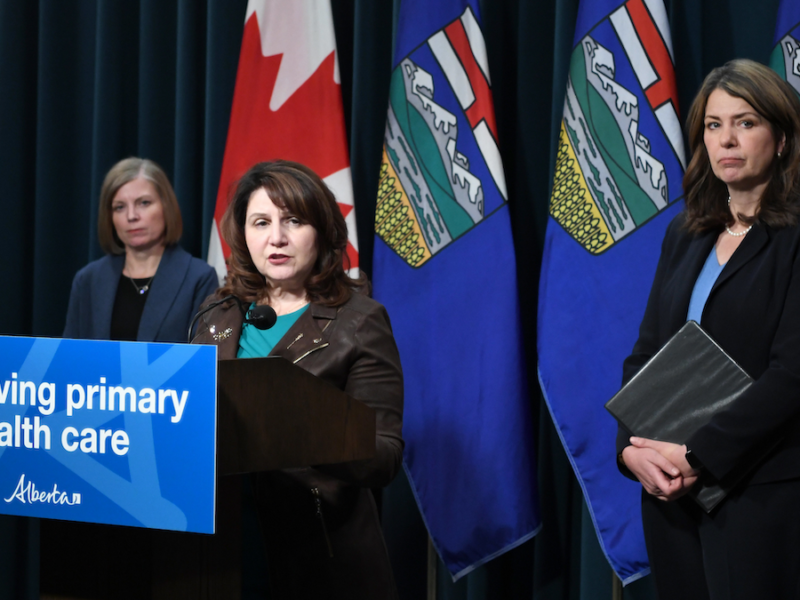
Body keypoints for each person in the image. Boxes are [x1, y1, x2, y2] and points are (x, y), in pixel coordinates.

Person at [616, 59, 800, 598]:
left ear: (783, 138)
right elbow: (647, 353)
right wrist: (631, 449)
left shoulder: (794, 241)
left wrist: (698, 454)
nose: (727, 140)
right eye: (714, 125)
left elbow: (791, 376)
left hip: (760, 495)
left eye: (745, 123)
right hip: (672, 496)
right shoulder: (687, 233)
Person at [192, 160, 404, 599]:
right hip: (219, 545)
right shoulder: (219, 309)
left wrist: (297, 425)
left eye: (293, 221)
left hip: (315, 550)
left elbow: (384, 455)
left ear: (322, 230)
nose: (277, 238)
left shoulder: (360, 322)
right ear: (243, 234)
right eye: (261, 222)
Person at [63, 157, 218, 342]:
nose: (131, 216)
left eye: (143, 203)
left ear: (166, 206)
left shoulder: (198, 278)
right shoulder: (88, 279)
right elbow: (70, 357)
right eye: (119, 207)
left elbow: (202, 359)